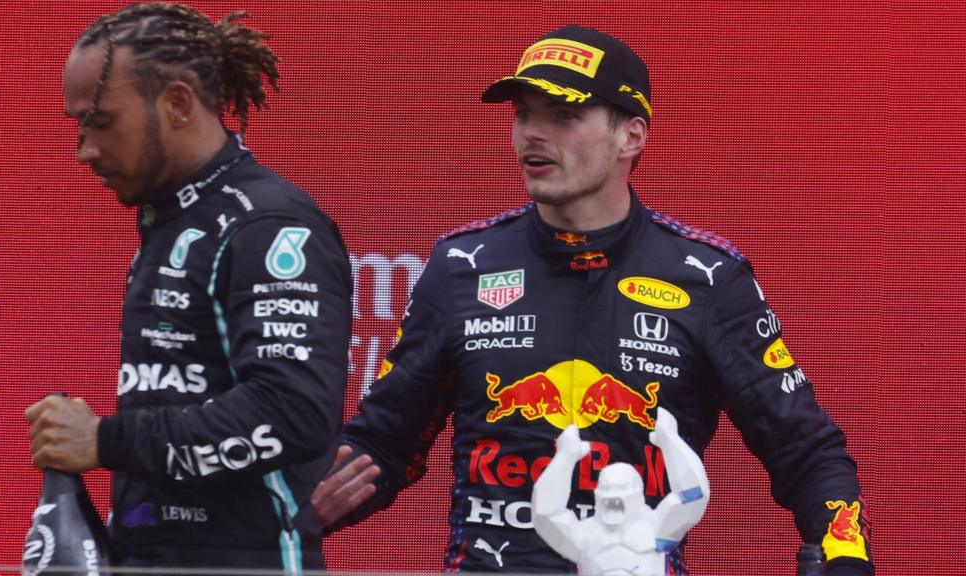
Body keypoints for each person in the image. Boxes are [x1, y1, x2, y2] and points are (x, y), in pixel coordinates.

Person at [311, 24, 873, 575]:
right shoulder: (463, 265)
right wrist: (285, 515)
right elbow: (382, 445)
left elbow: (806, 450)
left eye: (563, 115)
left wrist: (845, 552)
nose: (532, 134)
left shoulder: (708, 279)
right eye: (523, 114)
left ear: (631, 135)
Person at [25, 3, 351, 572]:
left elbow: (293, 412)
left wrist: (105, 440)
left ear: (177, 104)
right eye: (79, 125)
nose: (85, 150)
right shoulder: (174, 220)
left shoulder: (266, 224)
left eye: (102, 121)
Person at [531, 410, 709, 575]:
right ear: (599, 496)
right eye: (609, 496)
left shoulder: (656, 528)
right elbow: (545, 515)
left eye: (619, 496)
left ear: (636, 497)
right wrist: (565, 456)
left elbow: (693, 495)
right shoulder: (585, 536)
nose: (614, 501)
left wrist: (670, 439)